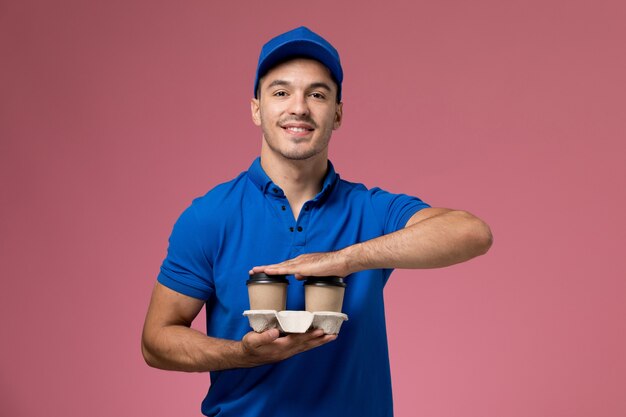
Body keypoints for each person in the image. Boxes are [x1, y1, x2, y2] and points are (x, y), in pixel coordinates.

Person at [141, 26, 492, 417]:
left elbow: (472, 232)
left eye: (317, 94)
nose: (299, 108)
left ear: (338, 112)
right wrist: (241, 354)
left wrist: (344, 260)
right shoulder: (209, 216)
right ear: (257, 108)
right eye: (280, 92)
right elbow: (156, 341)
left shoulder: (369, 210)